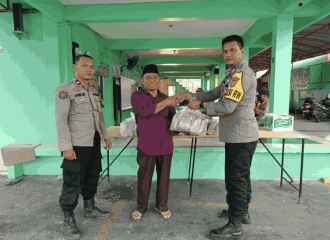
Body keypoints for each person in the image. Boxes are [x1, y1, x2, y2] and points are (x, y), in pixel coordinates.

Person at [175, 35, 259, 239]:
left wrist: (201, 106)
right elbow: (215, 92)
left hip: (241, 136)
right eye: (225, 51)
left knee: (236, 179)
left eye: (232, 50)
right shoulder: (232, 74)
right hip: (238, 135)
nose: (228, 54)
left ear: (242, 51)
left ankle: (235, 224)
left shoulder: (241, 76)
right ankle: (241, 213)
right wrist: (191, 96)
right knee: (241, 177)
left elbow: (227, 106)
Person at [55, 55, 112, 240]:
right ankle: (68, 219)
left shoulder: (93, 90)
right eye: (84, 65)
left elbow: (100, 116)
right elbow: (61, 120)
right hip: (76, 145)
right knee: (72, 181)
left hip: (93, 142)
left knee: (92, 176)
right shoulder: (65, 90)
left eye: (92, 66)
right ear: (75, 67)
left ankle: (89, 208)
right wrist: (65, 147)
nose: (89, 69)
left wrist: (105, 136)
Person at [130, 64, 178, 221]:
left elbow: (172, 118)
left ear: (159, 80)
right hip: (146, 145)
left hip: (166, 144)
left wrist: (181, 124)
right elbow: (144, 111)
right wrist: (168, 102)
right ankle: (141, 207)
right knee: (144, 178)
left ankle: (162, 205)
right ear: (143, 81)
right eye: (148, 78)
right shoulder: (137, 96)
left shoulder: (165, 98)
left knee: (164, 178)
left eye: (154, 77)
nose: (151, 80)